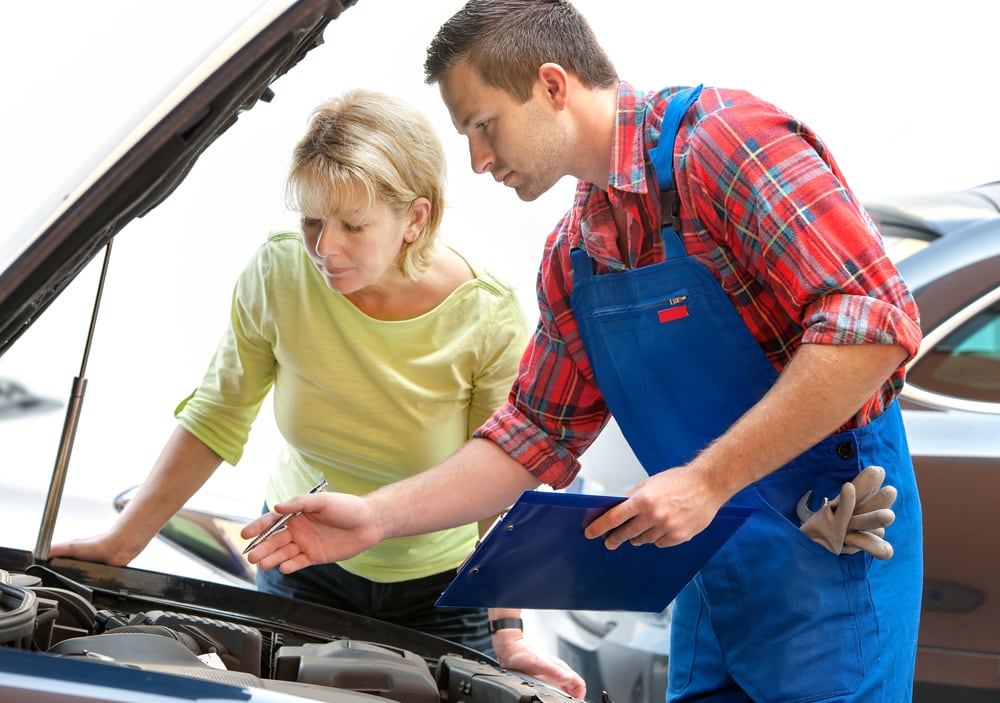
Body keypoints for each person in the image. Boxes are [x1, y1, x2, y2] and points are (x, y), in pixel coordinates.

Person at [241, 3, 924, 701]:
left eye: (484, 126)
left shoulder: (725, 144)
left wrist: (708, 480)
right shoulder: (574, 257)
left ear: (551, 86)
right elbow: (530, 435)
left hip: (830, 542)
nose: (477, 161)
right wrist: (377, 516)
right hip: (713, 572)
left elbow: (872, 325)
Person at [49, 88, 585, 696]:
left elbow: (499, 484)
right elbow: (217, 415)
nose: (324, 248)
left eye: (353, 225)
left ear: (415, 217)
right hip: (301, 569)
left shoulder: (487, 316)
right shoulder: (279, 273)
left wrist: (510, 635)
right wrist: (124, 542)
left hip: (443, 589)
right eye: (310, 220)